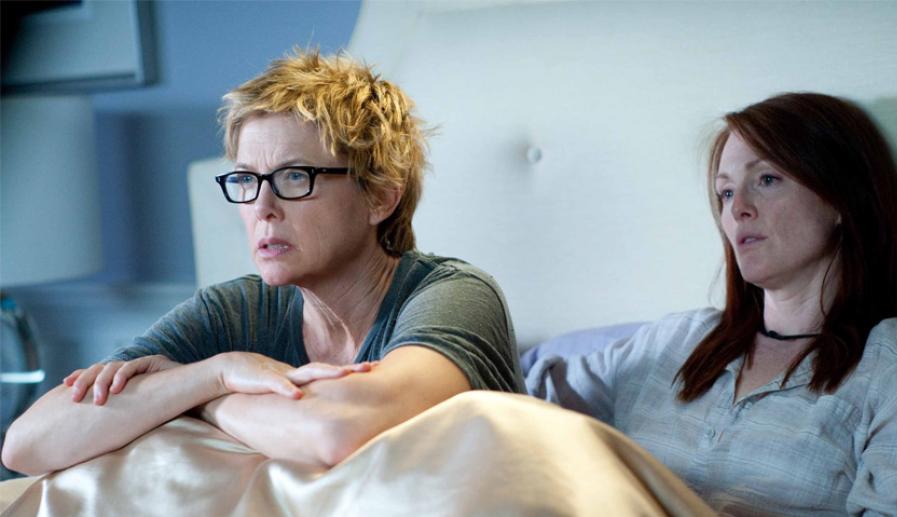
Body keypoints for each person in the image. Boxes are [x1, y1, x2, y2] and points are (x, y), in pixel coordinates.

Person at [1, 48, 524, 476]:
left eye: (295, 176)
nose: (261, 207)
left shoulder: (455, 295)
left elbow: (338, 433)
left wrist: (203, 398)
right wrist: (217, 372)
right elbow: (28, 444)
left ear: (380, 197)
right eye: (247, 179)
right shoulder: (236, 311)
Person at [527, 93, 897, 515]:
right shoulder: (677, 339)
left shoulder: (895, 363)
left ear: (841, 197)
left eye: (766, 180)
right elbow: (515, 404)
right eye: (726, 193)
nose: (738, 210)